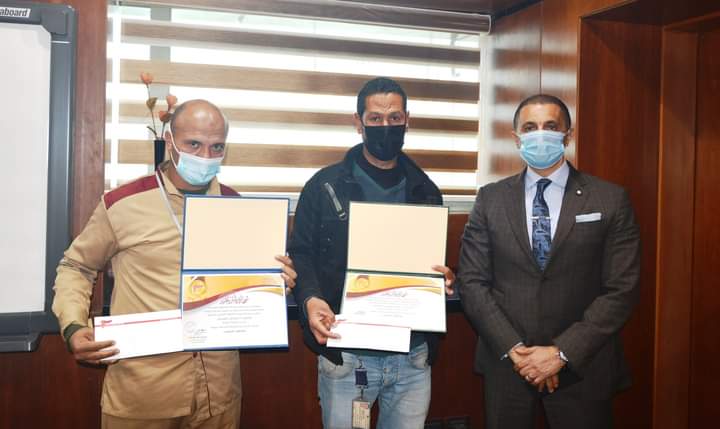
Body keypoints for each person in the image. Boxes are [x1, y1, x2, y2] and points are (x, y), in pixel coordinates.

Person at [52, 99, 297, 429]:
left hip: (218, 394)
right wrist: (73, 325)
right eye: (194, 144)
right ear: (169, 141)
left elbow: (248, 285)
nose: (205, 156)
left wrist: (275, 282)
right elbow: (76, 267)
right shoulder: (123, 203)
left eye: (216, 147)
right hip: (144, 392)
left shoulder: (236, 206)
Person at [458, 94, 641, 429]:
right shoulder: (490, 199)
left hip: (583, 366)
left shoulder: (610, 199)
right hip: (508, 366)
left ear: (567, 136)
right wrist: (516, 351)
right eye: (530, 127)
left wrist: (560, 353)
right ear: (516, 138)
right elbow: (472, 282)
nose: (540, 134)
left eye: (550, 126)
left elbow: (622, 289)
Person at [289, 77, 454, 429]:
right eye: (375, 118)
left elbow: (432, 265)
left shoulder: (427, 190)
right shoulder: (324, 186)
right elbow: (300, 253)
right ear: (358, 122)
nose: (385, 126)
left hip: (412, 356)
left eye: (394, 118)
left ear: (407, 120)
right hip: (348, 354)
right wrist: (311, 299)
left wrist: (443, 279)